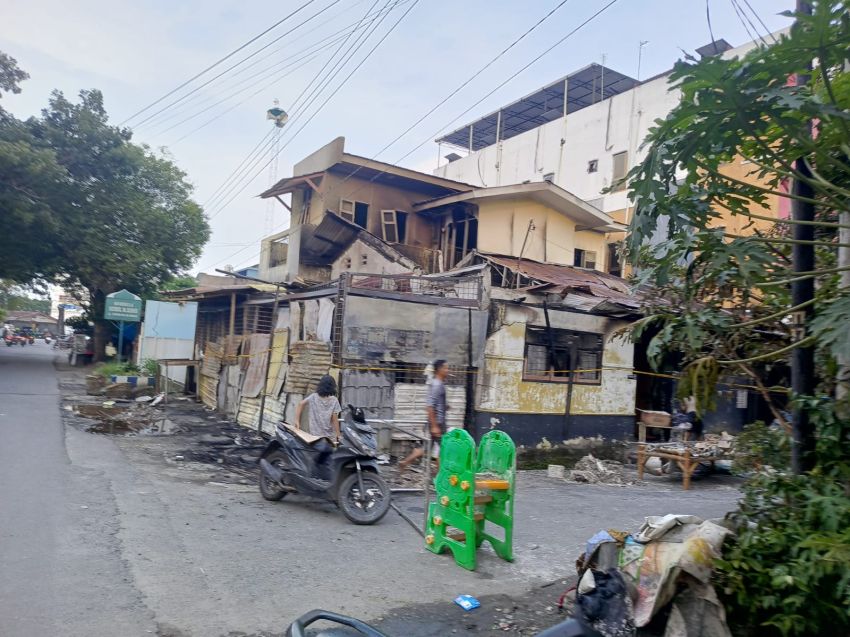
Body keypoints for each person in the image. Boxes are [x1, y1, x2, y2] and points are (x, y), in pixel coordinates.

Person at [399, 359, 449, 471]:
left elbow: (434, 405)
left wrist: (445, 407)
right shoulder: (437, 385)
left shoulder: (438, 383)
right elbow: (429, 406)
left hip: (436, 421)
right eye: (445, 368)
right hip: (437, 423)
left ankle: (405, 462)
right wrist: (435, 426)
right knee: (445, 449)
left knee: (427, 448)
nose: (447, 370)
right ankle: (440, 477)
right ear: (439, 370)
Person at [294, 375, 341, 441]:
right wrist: (338, 435)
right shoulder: (334, 400)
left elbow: (300, 404)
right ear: (332, 386)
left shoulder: (313, 397)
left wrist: (297, 421)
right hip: (329, 438)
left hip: (314, 436)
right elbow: (334, 419)